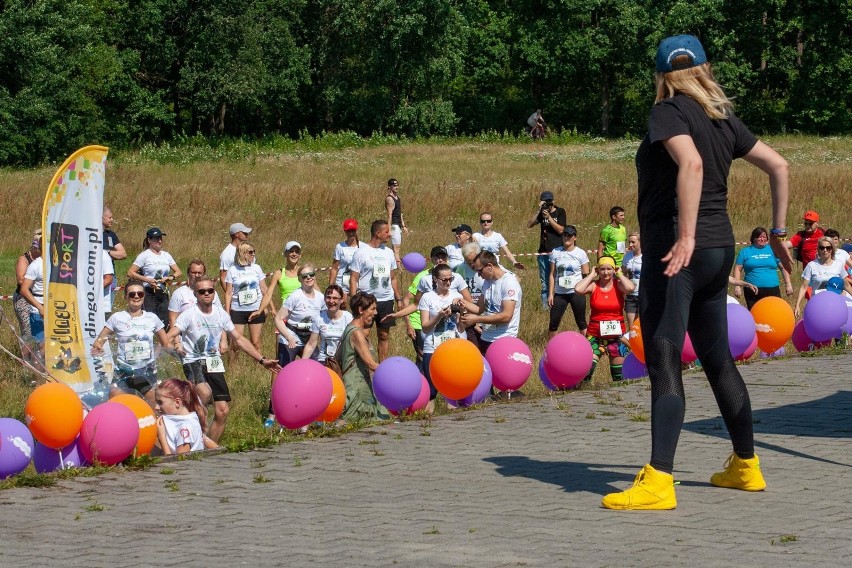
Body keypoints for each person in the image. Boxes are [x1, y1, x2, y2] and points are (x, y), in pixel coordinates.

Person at [601, 35, 790, 510]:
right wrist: (780, 232)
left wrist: (684, 236)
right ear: (705, 68)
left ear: (662, 75)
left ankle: (659, 481)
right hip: (719, 249)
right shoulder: (721, 115)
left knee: (664, 355)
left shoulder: (668, 110)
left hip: (679, 254)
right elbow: (779, 165)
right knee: (717, 358)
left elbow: (692, 163)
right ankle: (746, 467)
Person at [167, 276, 280, 442]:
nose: (206, 293)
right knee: (204, 393)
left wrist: (263, 360)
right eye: (202, 291)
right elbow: (170, 335)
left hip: (214, 362)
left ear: (214, 293)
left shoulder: (221, 315)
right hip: (193, 361)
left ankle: (208, 447)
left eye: (210, 290)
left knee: (222, 410)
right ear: (196, 294)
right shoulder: (188, 315)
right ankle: (188, 434)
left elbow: (240, 339)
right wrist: (173, 345)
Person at [91, 282, 169, 407]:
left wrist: (159, 353)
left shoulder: (152, 318)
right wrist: (98, 349)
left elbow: (165, 342)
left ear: (144, 296)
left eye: (140, 293)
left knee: (154, 407)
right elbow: (99, 342)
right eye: (132, 294)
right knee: (116, 406)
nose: (136, 296)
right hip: (124, 370)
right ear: (125, 297)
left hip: (146, 370)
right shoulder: (117, 318)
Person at [574, 256, 634, 382]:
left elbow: (630, 288)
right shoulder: (594, 286)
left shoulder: (619, 286)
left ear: (613, 270)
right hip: (595, 336)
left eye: (609, 269)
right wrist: (591, 275)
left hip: (617, 337)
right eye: (602, 269)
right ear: (598, 270)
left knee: (619, 378)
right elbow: (578, 289)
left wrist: (619, 274)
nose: (606, 273)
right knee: (585, 374)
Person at [349, 220, 402, 361]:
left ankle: (382, 366)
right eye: (386, 231)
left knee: (384, 335)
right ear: (378, 233)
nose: (389, 235)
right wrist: (355, 301)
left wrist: (398, 298)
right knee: (363, 334)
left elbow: (393, 278)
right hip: (367, 301)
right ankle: (364, 363)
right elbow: (353, 279)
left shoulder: (389, 253)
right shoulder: (361, 252)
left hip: (386, 300)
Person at [419, 263, 467, 412]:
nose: (448, 282)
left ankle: (453, 422)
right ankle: (428, 421)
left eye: (450, 279)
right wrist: (439, 315)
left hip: (452, 347)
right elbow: (425, 327)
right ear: (435, 279)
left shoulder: (457, 297)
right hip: (432, 346)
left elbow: (460, 328)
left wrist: (462, 314)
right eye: (444, 279)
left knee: (452, 388)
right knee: (431, 391)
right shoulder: (427, 297)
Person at [336, 292, 388, 423]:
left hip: (361, 388)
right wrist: (393, 372)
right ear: (360, 310)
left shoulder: (353, 329)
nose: (376, 313)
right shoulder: (356, 333)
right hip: (356, 391)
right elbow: (370, 364)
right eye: (372, 309)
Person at [127, 227, 182, 329]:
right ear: (149, 240)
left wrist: (170, 277)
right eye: (156, 238)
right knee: (149, 321)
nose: (159, 241)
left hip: (163, 292)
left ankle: (163, 343)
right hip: (149, 292)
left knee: (165, 321)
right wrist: (147, 279)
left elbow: (178, 272)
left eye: (160, 238)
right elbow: (130, 272)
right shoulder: (144, 255)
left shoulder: (166, 255)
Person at [224, 242, 268, 358]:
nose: (253, 254)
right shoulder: (232, 270)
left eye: (254, 252)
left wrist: (268, 307)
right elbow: (228, 292)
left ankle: (259, 367)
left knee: (256, 343)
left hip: (256, 309)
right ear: (242, 253)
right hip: (237, 310)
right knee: (235, 344)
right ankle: (233, 370)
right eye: (250, 252)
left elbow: (264, 289)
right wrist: (227, 312)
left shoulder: (256, 268)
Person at [733, 227, 794, 309]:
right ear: (754, 238)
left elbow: (783, 268)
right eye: (760, 237)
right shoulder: (745, 252)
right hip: (752, 290)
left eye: (764, 237)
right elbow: (737, 269)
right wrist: (737, 286)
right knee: (755, 314)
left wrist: (788, 284)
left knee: (775, 313)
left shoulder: (773, 250)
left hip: (772, 289)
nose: (762, 239)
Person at [547, 226, 589, 337]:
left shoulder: (581, 253)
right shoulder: (555, 252)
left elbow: (586, 275)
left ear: (575, 237)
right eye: (564, 235)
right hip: (560, 293)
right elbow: (552, 274)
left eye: (569, 235)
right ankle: (552, 349)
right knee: (553, 323)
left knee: (581, 322)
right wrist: (551, 293)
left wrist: (585, 291)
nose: (566, 237)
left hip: (576, 292)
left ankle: (588, 347)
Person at [155, 378, 217, 455]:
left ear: (177, 402)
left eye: (160, 402)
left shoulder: (185, 428)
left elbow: (180, 462)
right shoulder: (190, 419)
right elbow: (207, 441)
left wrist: (162, 438)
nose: (156, 407)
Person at [528, 190, 567, 309]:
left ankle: (559, 305)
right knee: (545, 281)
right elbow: (529, 224)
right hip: (543, 251)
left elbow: (561, 230)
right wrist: (539, 211)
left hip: (558, 251)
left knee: (558, 279)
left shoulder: (560, 212)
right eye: (545, 202)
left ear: (553, 201)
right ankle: (546, 308)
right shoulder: (542, 212)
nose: (548, 204)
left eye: (549, 202)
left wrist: (549, 217)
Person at [794, 237, 848, 318]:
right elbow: (804, 287)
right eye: (822, 248)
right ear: (818, 250)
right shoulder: (811, 265)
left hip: (836, 305)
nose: (825, 250)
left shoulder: (839, 265)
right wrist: (797, 305)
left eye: (828, 248)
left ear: (832, 249)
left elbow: (846, 285)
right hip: (818, 305)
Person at [301, 285, 354, 367]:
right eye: (328, 297)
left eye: (335, 298)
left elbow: (355, 341)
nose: (331, 301)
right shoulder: (319, 318)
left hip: (344, 361)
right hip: (324, 361)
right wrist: (301, 364)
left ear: (341, 300)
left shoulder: (348, 317)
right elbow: (311, 344)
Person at [256, 241, 305, 320]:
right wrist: (260, 310)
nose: (294, 254)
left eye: (297, 252)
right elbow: (268, 294)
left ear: (300, 255)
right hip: (286, 314)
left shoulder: (305, 271)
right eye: (291, 251)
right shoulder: (279, 273)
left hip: (304, 312)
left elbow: (316, 291)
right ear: (285, 254)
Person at [168, 259, 224, 327]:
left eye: (200, 273)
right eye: (194, 272)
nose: (197, 275)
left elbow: (220, 316)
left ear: (204, 274)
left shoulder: (211, 292)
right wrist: (177, 337)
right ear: (188, 273)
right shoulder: (178, 293)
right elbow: (172, 320)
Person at [328, 218, 368, 300]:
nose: (351, 233)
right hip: (343, 284)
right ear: (345, 232)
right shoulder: (340, 247)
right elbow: (334, 268)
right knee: (342, 309)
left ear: (356, 230)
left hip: (359, 283)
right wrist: (331, 285)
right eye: (348, 231)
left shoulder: (364, 247)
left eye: (353, 231)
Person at [13, 231, 41, 340]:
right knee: (28, 331)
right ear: (35, 248)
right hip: (23, 299)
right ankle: (27, 356)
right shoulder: (24, 259)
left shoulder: (43, 260)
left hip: (39, 297)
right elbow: (21, 280)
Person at [19, 239, 45, 343]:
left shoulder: (59, 265)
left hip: (56, 311)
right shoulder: (35, 265)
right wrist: (39, 307)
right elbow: (24, 290)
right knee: (43, 346)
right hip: (38, 312)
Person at [102, 207, 126, 309]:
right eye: (109, 217)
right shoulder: (89, 233)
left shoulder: (111, 235)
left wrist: (107, 252)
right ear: (101, 218)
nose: (112, 220)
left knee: (106, 306)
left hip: (109, 276)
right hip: (93, 274)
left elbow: (123, 254)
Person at [219, 222, 252, 290]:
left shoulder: (248, 249)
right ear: (237, 234)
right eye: (244, 232)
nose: (247, 234)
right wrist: (230, 296)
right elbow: (223, 278)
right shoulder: (227, 254)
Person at [385, 178, 409, 264]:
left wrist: (403, 225)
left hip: (398, 224)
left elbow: (400, 213)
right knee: (396, 248)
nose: (396, 187)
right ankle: (398, 268)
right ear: (390, 187)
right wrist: (389, 229)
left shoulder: (397, 198)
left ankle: (393, 265)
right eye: (394, 185)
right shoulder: (390, 199)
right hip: (394, 225)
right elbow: (389, 215)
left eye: (397, 185)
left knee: (396, 248)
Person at [622, 232, 643, 328]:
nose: (630, 245)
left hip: (643, 295)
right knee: (632, 327)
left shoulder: (645, 256)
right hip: (631, 296)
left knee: (642, 326)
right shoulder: (627, 257)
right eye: (629, 242)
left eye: (633, 242)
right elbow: (623, 274)